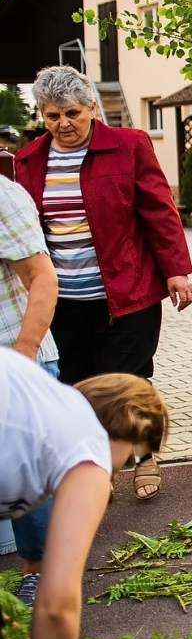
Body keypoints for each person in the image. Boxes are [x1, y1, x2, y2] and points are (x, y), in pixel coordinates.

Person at [14, 66, 192, 501]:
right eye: (53, 115)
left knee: (130, 380)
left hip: (127, 291)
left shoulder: (129, 146)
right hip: (64, 300)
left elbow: (158, 210)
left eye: (72, 113)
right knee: (76, 385)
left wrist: (177, 269)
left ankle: (144, 454)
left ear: (92, 107)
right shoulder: (28, 160)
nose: (63, 123)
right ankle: (98, 465)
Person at [1, 352, 168, 639]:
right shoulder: (87, 447)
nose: (116, 472)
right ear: (129, 419)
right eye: (130, 459)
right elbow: (57, 604)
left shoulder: (33, 392)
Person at [0, 171, 60, 608]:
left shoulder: (4, 196)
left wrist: (23, 355)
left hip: (14, 356)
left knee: (26, 472)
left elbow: (42, 277)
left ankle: (41, 570)